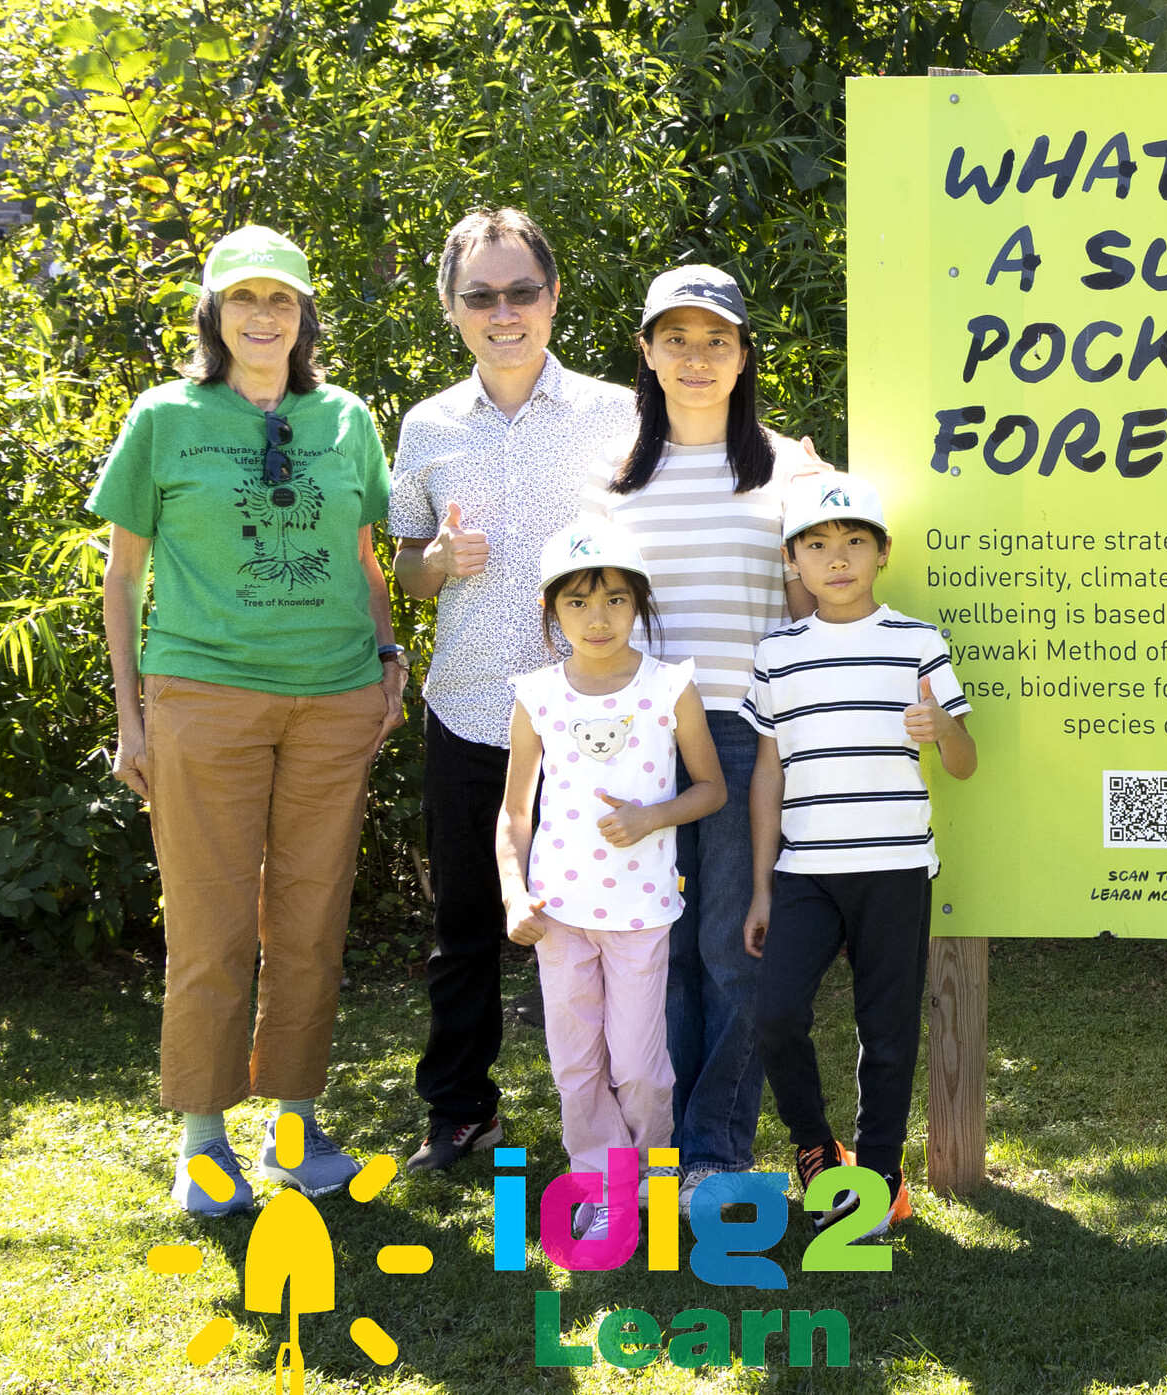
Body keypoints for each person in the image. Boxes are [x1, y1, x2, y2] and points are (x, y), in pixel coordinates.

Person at [91, 226, 409, 1213]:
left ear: (303, 315)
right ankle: (202, 1143)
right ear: (214, 313)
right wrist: (132, 718)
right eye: (243, 298)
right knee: (210, 923)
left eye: (280, 299)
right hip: (203, 695)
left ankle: (295, 1131)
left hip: (334, 699)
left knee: (312, 919)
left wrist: (388, 659)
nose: (262, 316)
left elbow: (365, 558)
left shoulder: (345, 419)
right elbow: (122, 578)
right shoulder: (165, 417)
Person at [391, 207, 640, 1174]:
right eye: (481, 295)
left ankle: (623, 1114)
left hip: (594, 717)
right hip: (470, 706)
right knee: (464, 927)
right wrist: (437, 562)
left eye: (522, 291)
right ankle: (460, 1111)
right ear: (453, 308)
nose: (504, 313)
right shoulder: (428, 425)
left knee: (612, 924)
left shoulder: (619, 413)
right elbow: (407, 565)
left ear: (554, 296)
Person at [602, 264, 820, 1207]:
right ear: (647, 354)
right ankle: (662, 1143)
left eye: (717, 340)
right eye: (677, 340)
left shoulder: (789, 472)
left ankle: (715, 1151)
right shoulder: (611, 480)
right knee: (660, 949)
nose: (697, 358)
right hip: (640, 740)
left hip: (743, 734)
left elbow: (811, 608)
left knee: (734, 947)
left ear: (743, 357)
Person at [741, 472, 975, 1240]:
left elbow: (966, 761)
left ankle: (877, 1176)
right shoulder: (777, 653)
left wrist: (943, 729)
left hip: (895, 866)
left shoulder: (917, 641)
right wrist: (762, 887)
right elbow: (768, 772)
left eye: (853, 542)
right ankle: (816, 1147)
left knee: (889, 1029)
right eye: (816, 545)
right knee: (776, 1013)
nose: (836, 558)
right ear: (793, 561)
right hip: (805, 871)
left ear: (882, 553)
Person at [495, 515, 724, 1241]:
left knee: (640, 1067)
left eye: (616, 600)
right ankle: (603, 1188)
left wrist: (654, 817)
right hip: (557, 914)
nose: (598, 618)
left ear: (639, 604)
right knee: (576, 1064)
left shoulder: (669, 687)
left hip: (641, 912)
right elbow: (514, 812)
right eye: (578, 602)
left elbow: (712, 788)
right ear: (551, 610)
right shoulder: (537, 695)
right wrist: (513, 894)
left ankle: (652, 1177)